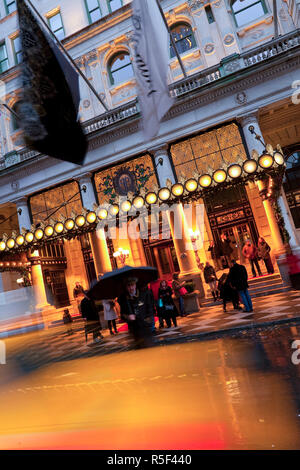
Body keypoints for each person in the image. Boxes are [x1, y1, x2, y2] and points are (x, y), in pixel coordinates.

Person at [118, 277, 154, 349]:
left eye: (132, 285)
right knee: (139, 350)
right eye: (128, 286)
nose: (131, 288)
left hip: (145, 328)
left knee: (149, 348)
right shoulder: (123, 299)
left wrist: (148, 321)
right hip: (134, 329)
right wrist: (128, 317)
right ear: (126, 287)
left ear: (135, 284)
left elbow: (150, 309)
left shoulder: (144, 294)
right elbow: (122, 314)